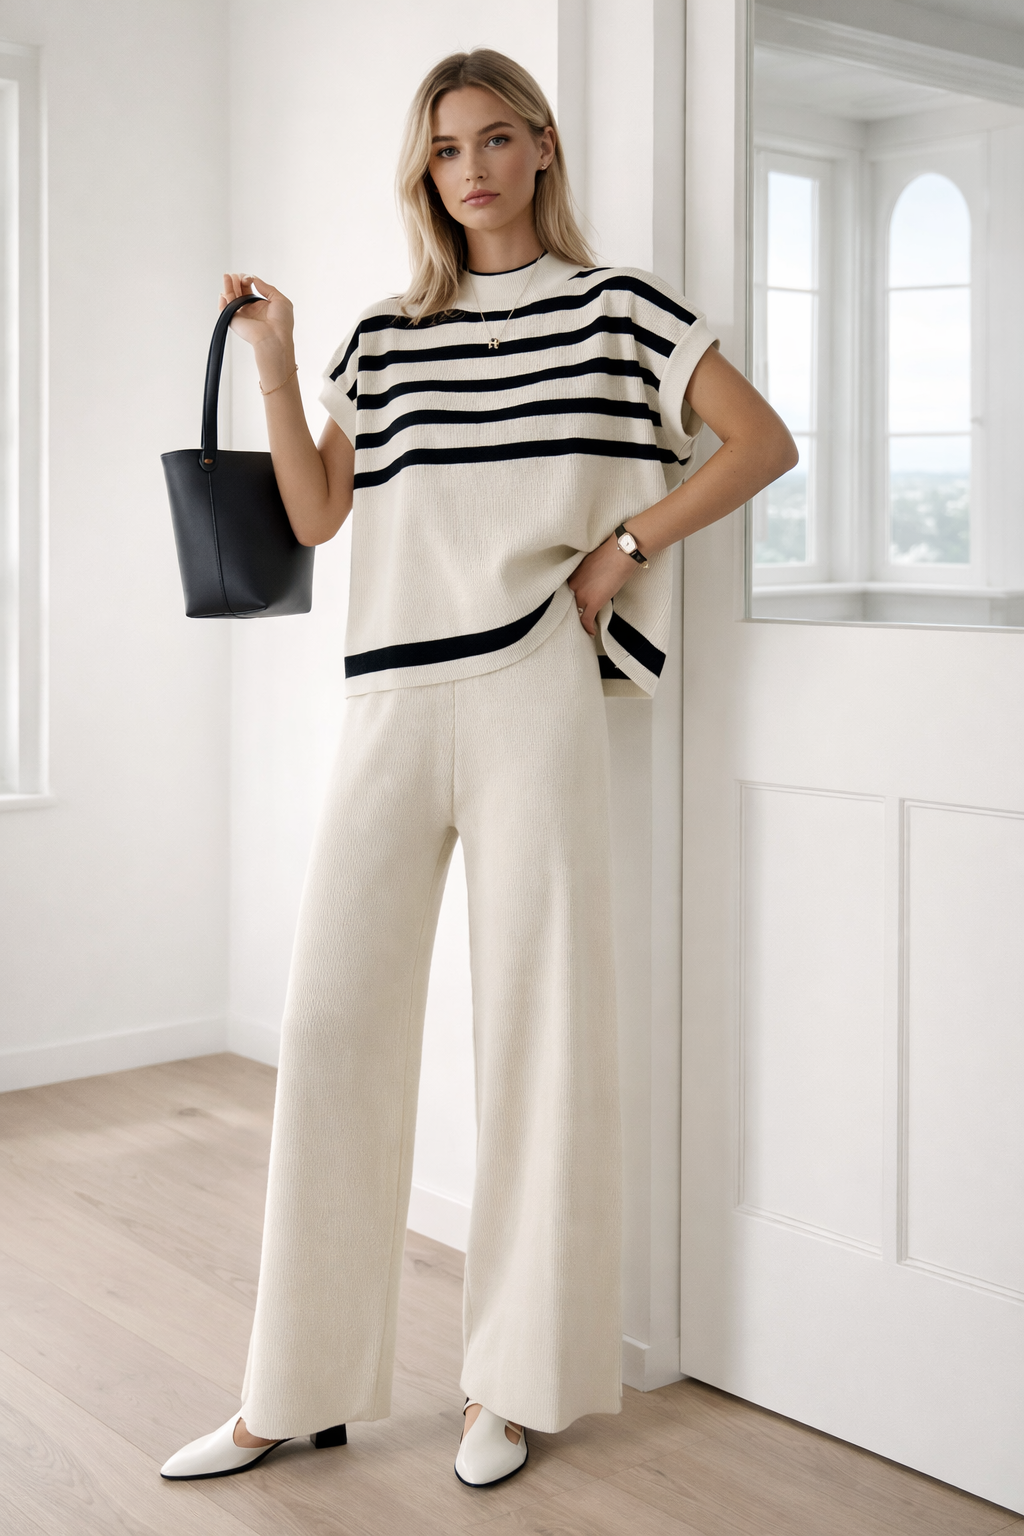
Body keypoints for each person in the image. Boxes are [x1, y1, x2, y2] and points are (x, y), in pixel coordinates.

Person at [160, 47, 796, 1490]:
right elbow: (319, 517)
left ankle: (504, 1383)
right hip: (391, 701)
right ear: (426, 174)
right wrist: (276, 363)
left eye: (501, 138)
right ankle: (290, 1391)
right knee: (330, 1027)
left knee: (540, 1034)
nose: (478, 168)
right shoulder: (384, 339)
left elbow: (760, 442)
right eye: (449, 148)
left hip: (532, 687)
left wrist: (627, 545)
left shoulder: (618, 309)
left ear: (544, 150)